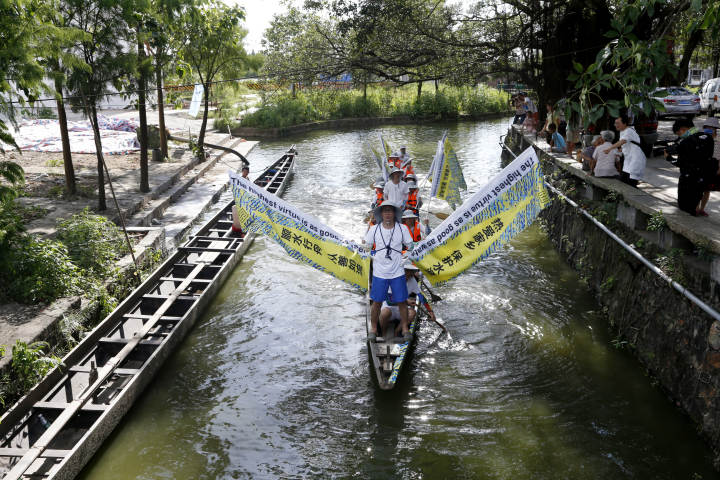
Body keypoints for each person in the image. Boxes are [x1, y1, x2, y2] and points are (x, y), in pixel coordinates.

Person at [364, 202, 413, 341]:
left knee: (402, 301)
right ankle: (374, 329)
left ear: (394, 214)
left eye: (390, 211)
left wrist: (405, 258)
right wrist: (371, 256)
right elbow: (367, 246)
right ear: (381, 214)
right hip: (379, 271)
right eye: (385, 211)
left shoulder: (402, 228)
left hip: (397, 270)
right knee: (377, 302)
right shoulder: (374, 229)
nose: (387, 214)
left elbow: (410, 245)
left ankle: (404, 329)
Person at [664, 118, 715, 216]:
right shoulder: (708, 137)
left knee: (685, 207)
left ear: (683, 129)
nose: (680, 136)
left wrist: (669, 158)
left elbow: (680, 162)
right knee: (695, 201)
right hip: (702, 177)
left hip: (688, 180)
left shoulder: (686, 142)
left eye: (679, 134)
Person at [604, 114, 646, 187]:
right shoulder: (623, 131)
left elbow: (622, 141)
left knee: (631, 183)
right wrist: (620, 150)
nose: (615, 125)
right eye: (615, 123)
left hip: (635, 160)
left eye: (618, 123)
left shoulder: (628, 131)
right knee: (624, 181)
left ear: (625, 123)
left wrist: (609, 149)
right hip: (629, 161)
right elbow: (626, 144)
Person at [699, 117, 720, 215]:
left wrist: (719, 168)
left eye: (711, 127)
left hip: (713, 166)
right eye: (707, 127)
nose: (709, 129)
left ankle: (701, 209)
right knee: (698, 189)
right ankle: (696, 208)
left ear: (715, 128)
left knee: (707, 190)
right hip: (702, 165)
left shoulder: (719, 139)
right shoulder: (701, 137)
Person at [231, 166, 250, 237]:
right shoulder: (240, 180)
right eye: (244, 171)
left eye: (246, 172)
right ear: (242, 172)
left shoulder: (247, 179)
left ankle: (244, 230)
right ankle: (242, 231)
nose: (245, 173)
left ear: (248, 172)